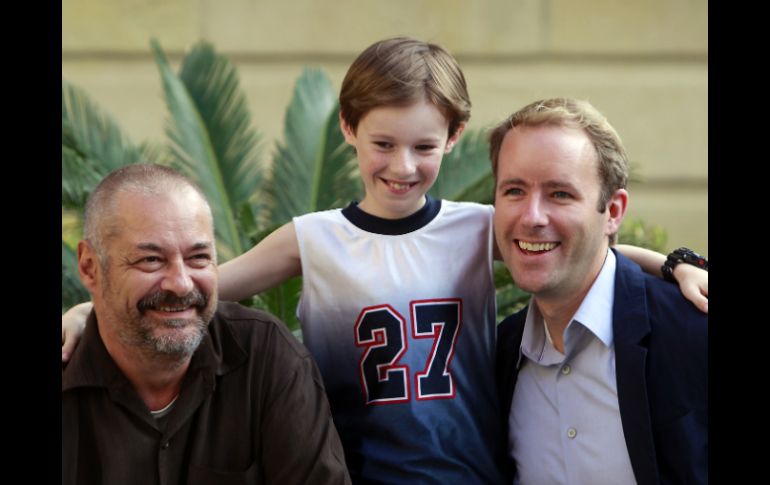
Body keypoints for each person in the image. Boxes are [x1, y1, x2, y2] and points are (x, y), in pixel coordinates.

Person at [62, 38, 707, 483]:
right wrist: (91, 310)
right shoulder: (311, 238)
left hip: (473, 473)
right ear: (348, 128)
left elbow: (590, 250)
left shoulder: (476, 226)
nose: (403, 165)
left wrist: (676, 263)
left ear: (452, 138)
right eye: (383, 143)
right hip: (360, 473)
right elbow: (197, 288)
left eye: (424, 146)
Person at [62, 164, 350, 485]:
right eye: (151, 260)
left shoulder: (265, 356)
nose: (181, 284)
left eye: (198, 257)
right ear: (89, 267)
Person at [491, 98, 707, 484]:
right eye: (514, 190)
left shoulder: (693, 329)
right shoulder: (498, 358)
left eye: (560, 194)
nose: (532, 217)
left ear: (614, 212)